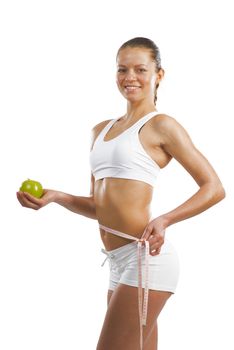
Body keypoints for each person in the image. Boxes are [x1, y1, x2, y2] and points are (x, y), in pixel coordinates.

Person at [17, 37, 225, 350]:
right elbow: (99, 206)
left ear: (159, 75)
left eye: (141, 69)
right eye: (122, 69)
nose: (130, 77)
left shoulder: (162, 125)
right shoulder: (100, 130)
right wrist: (56, 197)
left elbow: (214, 187)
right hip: (118, 261)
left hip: (146, 259)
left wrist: (165, 219)